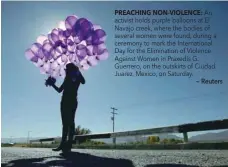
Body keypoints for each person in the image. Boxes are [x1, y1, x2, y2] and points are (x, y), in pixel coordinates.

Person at [45, 63, 85, 153]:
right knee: (64, 123)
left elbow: (84, 81)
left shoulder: (77, 77)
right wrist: (52, 84)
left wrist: (78, 71)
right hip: (63, 102)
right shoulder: (66, 78)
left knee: (71, 122)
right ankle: (63, 144)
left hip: (72, 101)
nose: (65, 70)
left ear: (71, 69)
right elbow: (59, 90)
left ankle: (69, 145)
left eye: (67, 68)